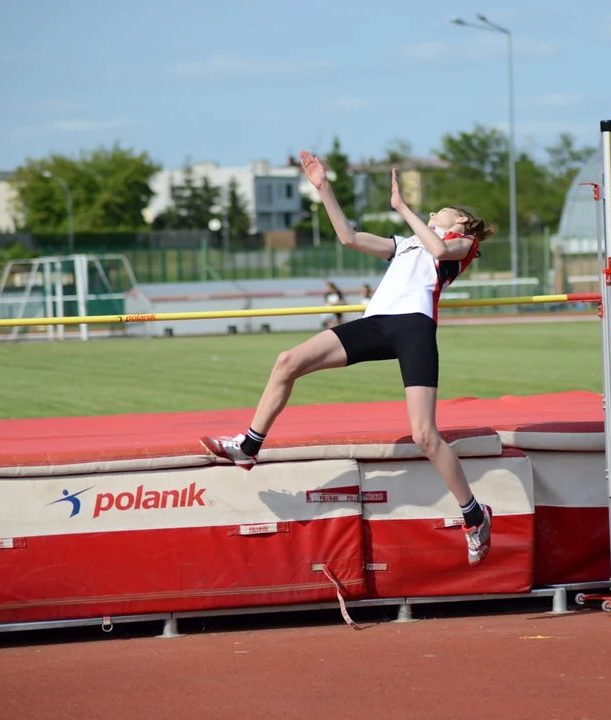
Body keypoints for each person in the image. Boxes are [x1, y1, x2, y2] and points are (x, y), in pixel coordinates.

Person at [200, 150, 498, 567]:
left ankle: (474, 516)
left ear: (461, 221)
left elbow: (436, 246)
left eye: (440, 210)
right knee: (287, 361)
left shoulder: (461, 243)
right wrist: (323, 187)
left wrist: (405, 209)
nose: (433, 211)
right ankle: (250, 446)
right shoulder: (405, 245)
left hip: (413, 328)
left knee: (424, 435)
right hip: (375, 325)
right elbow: (349, 237)